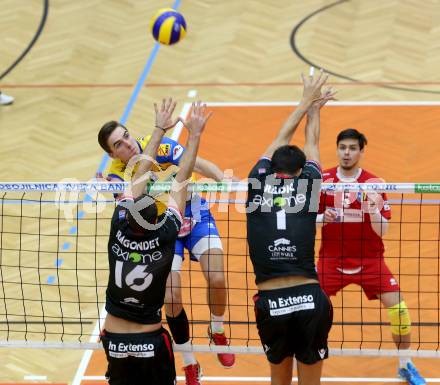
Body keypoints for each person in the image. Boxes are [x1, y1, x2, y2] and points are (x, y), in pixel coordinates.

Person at [98, 103, 234, 385]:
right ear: (112, 154)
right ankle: (189, 362)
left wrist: (223, 177)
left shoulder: (157, 144)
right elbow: (135, 183)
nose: (127, 144)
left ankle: (217, 329)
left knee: (218, 277)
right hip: (159, 236)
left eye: (126, 136)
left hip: (194, 216)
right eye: (119, 145)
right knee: (171, 299)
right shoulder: (115, 174)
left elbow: (193, 163)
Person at [316, 128, 426, 385]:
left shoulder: (374, 183)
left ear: (361, 152)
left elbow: (382, 230)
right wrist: (323, 217)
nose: (347, 153)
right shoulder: (324, 181)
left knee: (399, 310)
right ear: (337, 149)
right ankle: (308, 359)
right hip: (331, 261)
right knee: (311, 311)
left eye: (353, 148)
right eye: (343, 147)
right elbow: (307, 222)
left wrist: (374, 210)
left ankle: (404, 364)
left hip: (370, 262)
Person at [246, 70, 335, 385]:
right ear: (300, 171)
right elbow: (313, 143)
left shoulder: (256, 183)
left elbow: (279, 139)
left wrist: (303, 103)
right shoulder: (310, 186)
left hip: (272, 303)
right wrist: (314, 109)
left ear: (272, 167)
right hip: (310, 299)